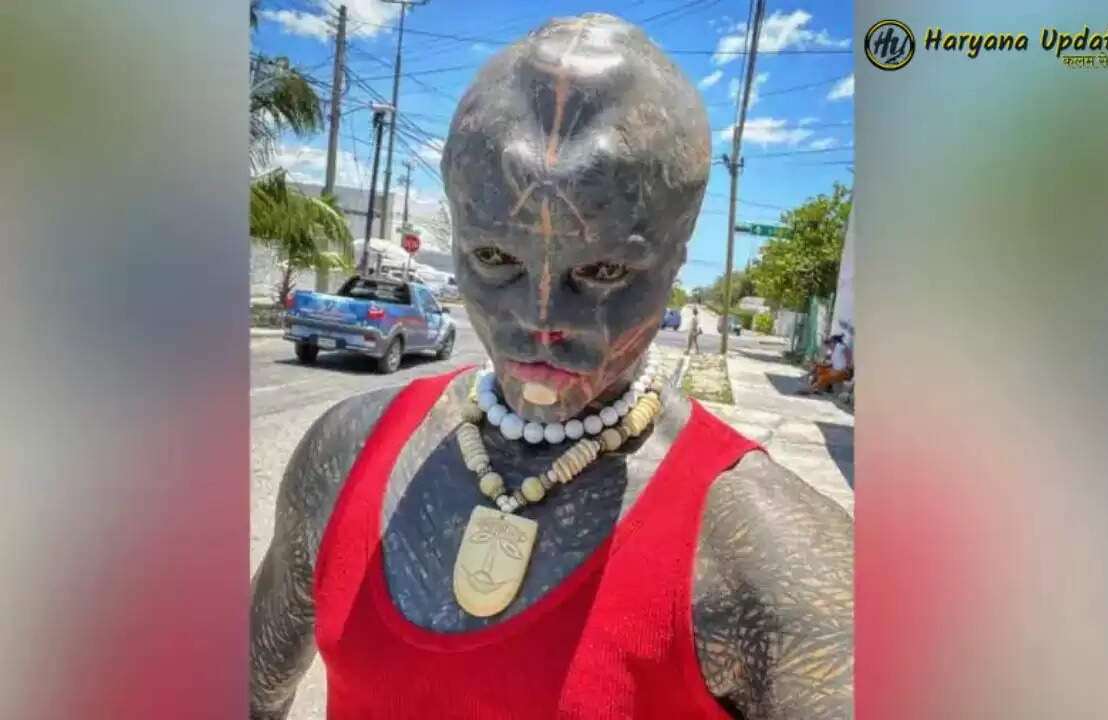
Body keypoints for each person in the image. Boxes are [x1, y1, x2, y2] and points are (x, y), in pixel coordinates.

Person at [250, 14, 852, 720]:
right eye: (494, 259)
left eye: (603, 269)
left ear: (677, 260)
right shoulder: (347, 453)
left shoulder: (773, 555)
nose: (539, 319)